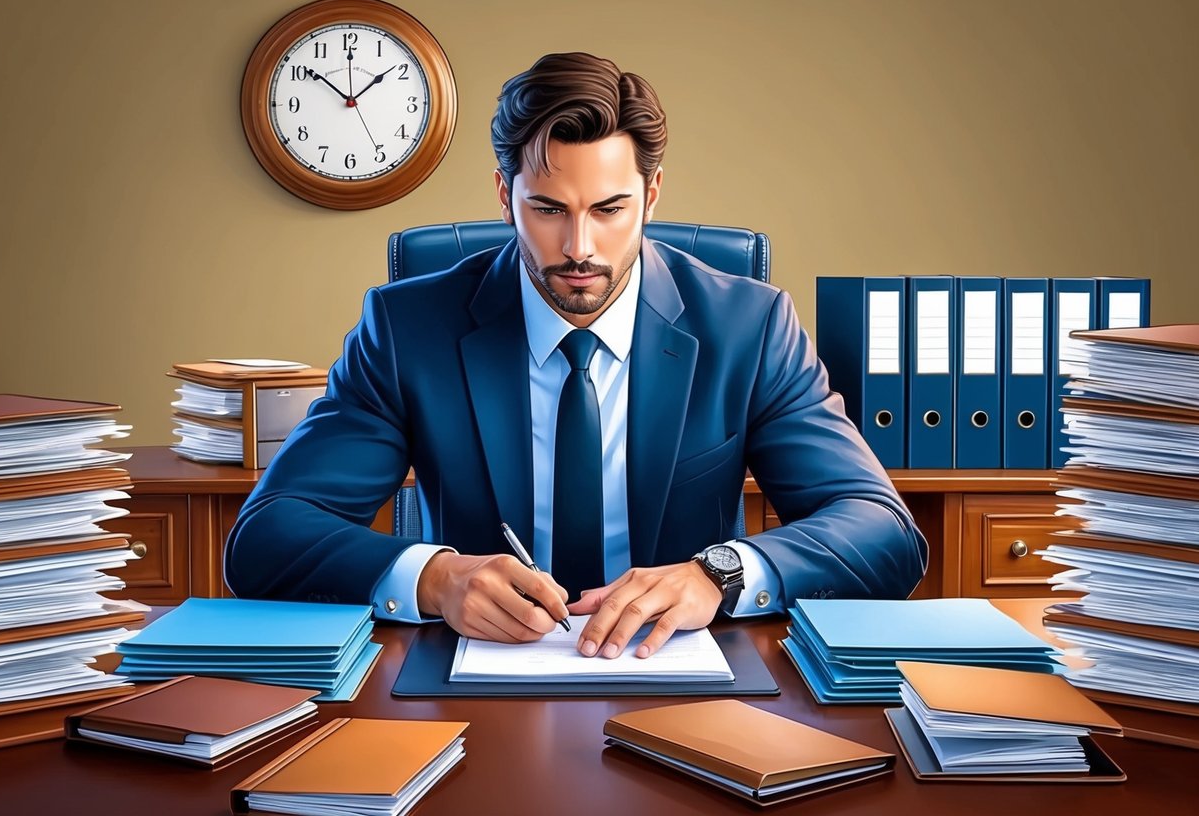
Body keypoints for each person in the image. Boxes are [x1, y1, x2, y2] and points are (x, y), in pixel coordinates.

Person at [224, 52, 927, 659]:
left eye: (609, 209)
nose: (579, 248)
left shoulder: (749, 326)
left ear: (651, 196)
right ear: (506, 198)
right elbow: (267, 537)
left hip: (685, 678)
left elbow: (882, 531)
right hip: (476, 677)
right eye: (549, 209)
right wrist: (436, 579)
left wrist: (720, 574)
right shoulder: (409, 328)